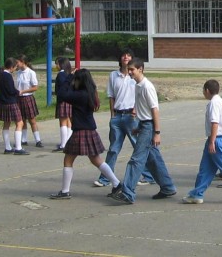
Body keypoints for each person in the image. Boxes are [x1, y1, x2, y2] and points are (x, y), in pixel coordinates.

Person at [110, 58, 177, 204]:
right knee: (153, 159)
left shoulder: (147, 86)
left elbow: (155, 110)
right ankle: (167, 187)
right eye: (128, 70)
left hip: (149, 126)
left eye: (132, 69)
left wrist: (157, 132)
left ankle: (127, 193)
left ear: (141, 69)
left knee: (136, 159)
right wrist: (138, 126)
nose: (129, 72)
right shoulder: (137, 85)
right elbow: (143, 109)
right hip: (144, 125)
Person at [50, 68, 121, 199]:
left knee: (68, 159)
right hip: (89, 130)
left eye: (76, 80)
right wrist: (72, 77)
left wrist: (68, 77)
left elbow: (61, 94)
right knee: (96, 159)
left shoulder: (79, 95)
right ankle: (116, 184)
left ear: (79, 81)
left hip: (80, 131)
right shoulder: (89, 92)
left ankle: (65, 191)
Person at [93, 48, 155, 187]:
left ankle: (148, 175)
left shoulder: (135, 77)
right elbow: (111, 96)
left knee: (138, 147)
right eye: (123, 55)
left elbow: (141, 96)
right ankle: (106, 178)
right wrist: (112, 114)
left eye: (129, 55)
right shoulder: (114, 75)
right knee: (113, 148)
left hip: (131, 116)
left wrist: (136, 109)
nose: (126, 57)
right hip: (117, 115)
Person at [0, 57, 29, 155]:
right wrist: (18, 92)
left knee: (6, 124)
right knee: (20, 123)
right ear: (11, 67)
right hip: (10, 102)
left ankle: (7, 147)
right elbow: (11, 90)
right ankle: (18, 147)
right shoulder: (7, 76)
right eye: (15, 67)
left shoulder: (0, 75)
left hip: (2, 103)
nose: (15, 69)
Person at [15, 55, 43, 148]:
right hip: (19, 98)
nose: (16, 64)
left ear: (23, 62)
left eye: (17, 62)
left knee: (32, 120)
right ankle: (23, 139)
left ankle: (38, 140)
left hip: (27, 97)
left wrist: (23, 91)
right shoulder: (18, 72)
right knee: (21, 120)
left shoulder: (31, 73)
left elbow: (35, 87)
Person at [52, 57, 73, 152]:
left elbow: (61, 88)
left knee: (63, 122)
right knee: (68, 121)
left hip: (63, 100)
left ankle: (63, 144)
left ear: (61, 64)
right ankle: (68, 142)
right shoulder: (69, 73)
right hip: (69, 99)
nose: (55, 66)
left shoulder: (60, 75)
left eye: (57, 64)